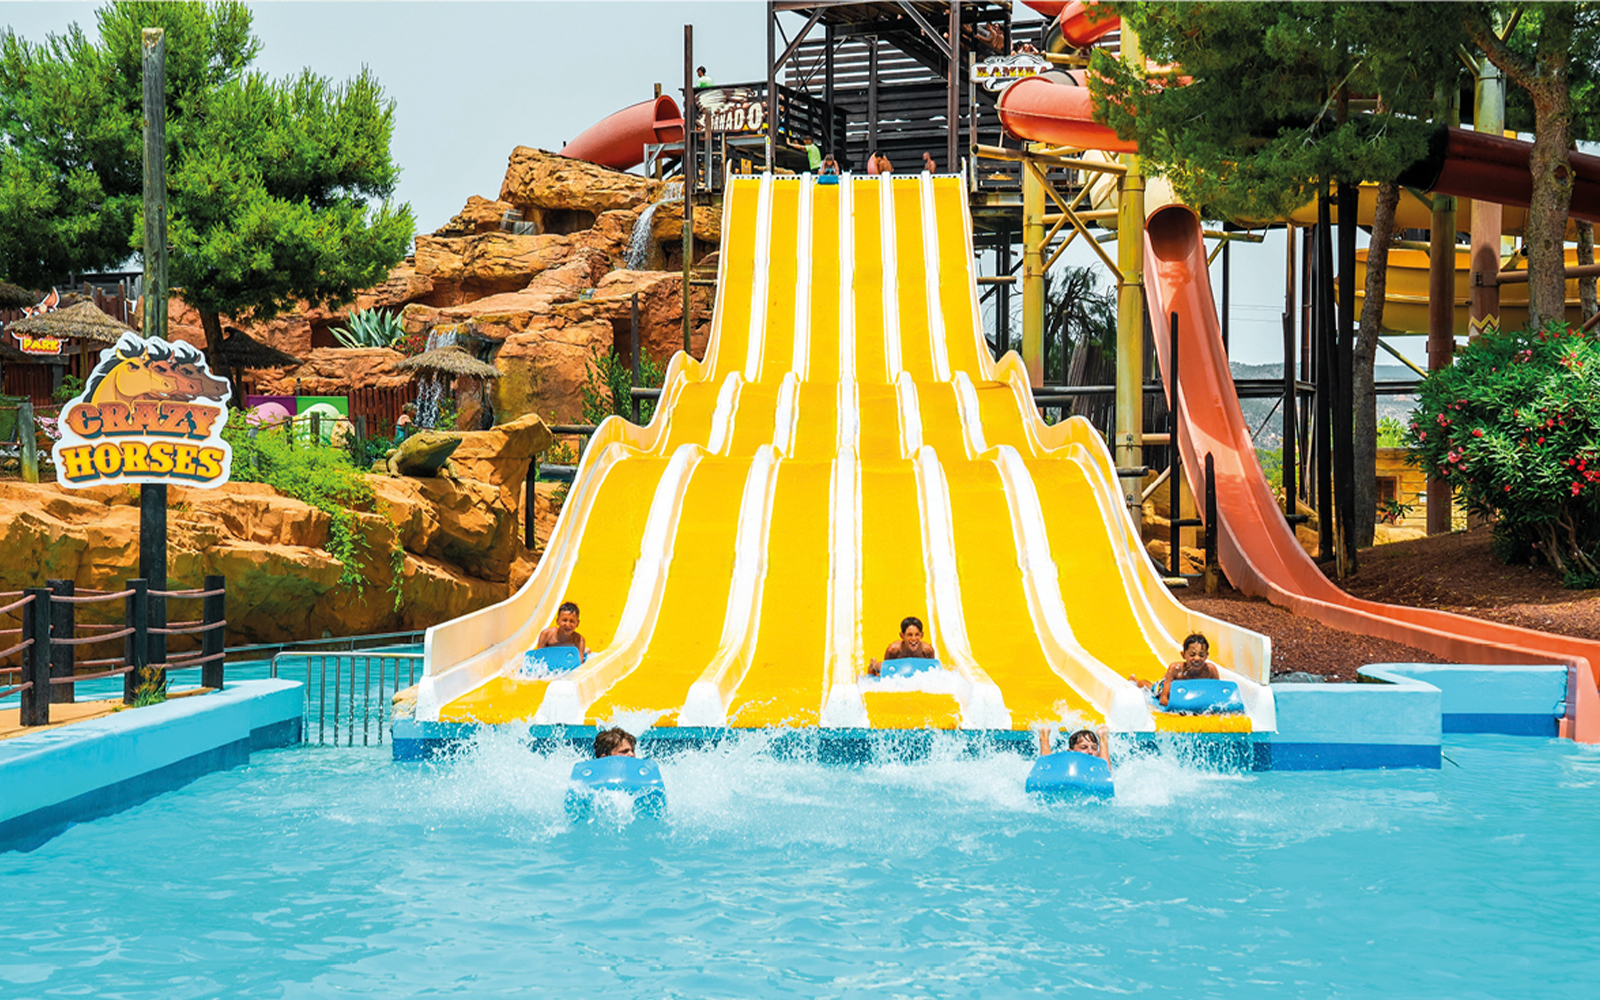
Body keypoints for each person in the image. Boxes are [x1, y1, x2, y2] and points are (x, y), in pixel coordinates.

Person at [1135, 632, 1221, 708]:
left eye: (1201, 655)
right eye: (1192, 654)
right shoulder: (1175, 669)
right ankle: (1135, 681)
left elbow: (1218, 694)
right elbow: (1163, 700)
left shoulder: (1210, 670)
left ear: (1207, 655)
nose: (1197, 658)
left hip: (1190, 692)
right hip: (1166, 687)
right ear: (1183, 655)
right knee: (1151, 688)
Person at [867, 616, 938, 676]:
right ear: (902, 636)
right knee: (879, 669)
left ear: (922, 635)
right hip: (898, 670)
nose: (913, 639)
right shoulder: (894, 650)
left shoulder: (927, 650)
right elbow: (887, 672)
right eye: (909, 635)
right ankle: (873, 664)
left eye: (917, 635)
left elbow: (931, 671)